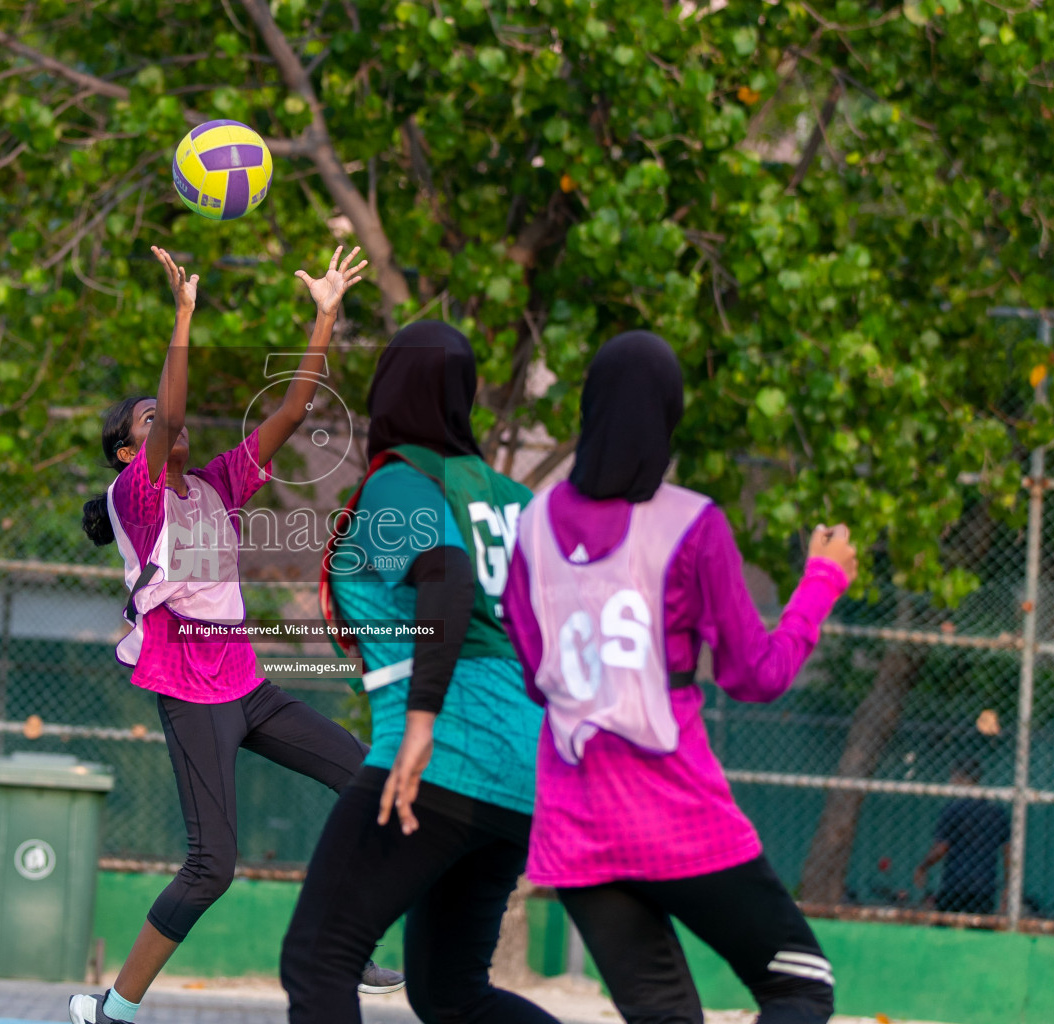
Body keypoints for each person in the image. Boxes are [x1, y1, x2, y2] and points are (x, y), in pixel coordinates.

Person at [69, 246, 399, 1024]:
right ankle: (114, 1008)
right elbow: (173, 413)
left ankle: (339, 948)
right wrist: (183, 318)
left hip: (246, 685)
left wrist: (325, 313)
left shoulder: (216, 482)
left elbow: (291, 410)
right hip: (188, 689)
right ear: (129, 449)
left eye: (164, 417)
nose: (168, 425)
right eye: (149, 422)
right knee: (213, 865)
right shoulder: (137, 494)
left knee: (364, 777)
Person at [503, 331, 859, 1024]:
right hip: (678, 818)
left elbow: (534, 676)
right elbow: (757, 675)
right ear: (669, 415)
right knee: (800, 985)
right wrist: (822, 581)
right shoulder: (691, 523)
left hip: (577, 830)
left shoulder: (534, 525)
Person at [279, 321, 556, 1024]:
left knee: (319, 958)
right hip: (523, 768)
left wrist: (424, 720)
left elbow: (449, 578)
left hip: (438, 756)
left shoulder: (400, 482)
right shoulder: (515, 501)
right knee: (450, 992)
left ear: (390, 389)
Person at [915, 759, 1010, 915]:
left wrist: (923, 866)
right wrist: (1008, 884)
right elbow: (1008, 851)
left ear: (960, 778)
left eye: (953, 778)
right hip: (984, 885)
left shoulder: (952, 810)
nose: (951, 782)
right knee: (979, 928)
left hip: (955, 883)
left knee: (946, 926)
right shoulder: (995, 811)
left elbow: (941, 848)